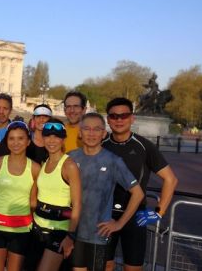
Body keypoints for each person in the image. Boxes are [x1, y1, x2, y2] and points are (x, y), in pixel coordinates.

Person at [103, 98, 178, 271]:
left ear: (132, 118)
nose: (119, 120)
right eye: (114, 116)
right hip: (105, 215)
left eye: (124, 115)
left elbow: (171, 179)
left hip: (135, 217)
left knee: (133, 267)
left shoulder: (144, 146)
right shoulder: (101, 145)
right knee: (104, 265)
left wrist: (159, 212)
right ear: (108, 119)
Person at [69, 113, 144, 271]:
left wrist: (119, 223)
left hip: (98, 235)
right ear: (80, 133)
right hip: (72, 232)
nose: (91, 133)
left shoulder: (113, 161)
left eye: (96, 129)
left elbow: (138, 194)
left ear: (104, 134)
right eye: (86, 129)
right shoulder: (70, 158)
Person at [0, 121, 40, 271]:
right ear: (6, 142)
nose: (16, 143)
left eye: (20, 138)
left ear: (28, 142)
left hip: (22, 229)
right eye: (11, 138)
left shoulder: (35, 168)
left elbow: (33, 202)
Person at [31, 118, 82, 271]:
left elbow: (78, 204)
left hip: (58, 232)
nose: (52, 140)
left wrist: (70, 236)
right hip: (38, 228)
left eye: (57, 136)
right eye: (48, 136)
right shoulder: (45, 162)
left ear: (63, 138)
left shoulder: (69, 166)